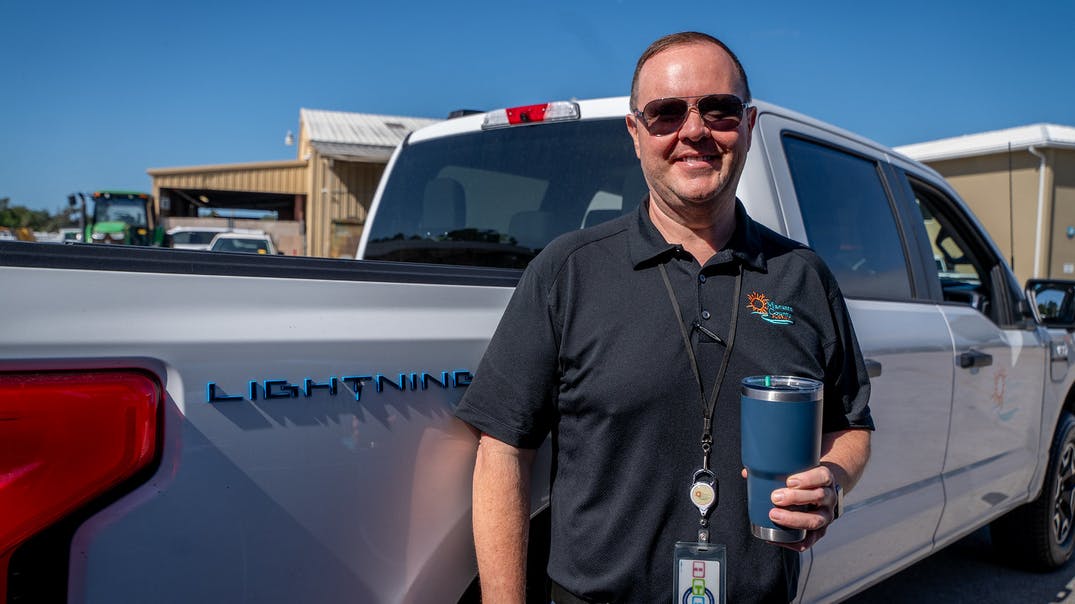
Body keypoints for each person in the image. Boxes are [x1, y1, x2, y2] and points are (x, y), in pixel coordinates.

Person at [454, 31, 874, 603]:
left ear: (747, 126)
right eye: (666, 113)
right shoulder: (569, 271)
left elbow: (851, 424)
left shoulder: (802, 276)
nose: (694, 130)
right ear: (636, 133)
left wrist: (834, 480)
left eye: (719, 110)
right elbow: (502, 450)